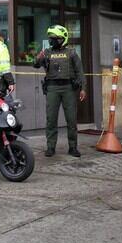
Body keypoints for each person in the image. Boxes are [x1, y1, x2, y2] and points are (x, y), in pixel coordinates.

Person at [34, 25, 85, 157]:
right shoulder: (47, 52)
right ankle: (51, 147)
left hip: (69, 88)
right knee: (51, 119)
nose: (51, 40)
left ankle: (73, 147)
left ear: (62, 39)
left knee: (71, 120)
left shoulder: (71, 53)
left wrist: (83, 88)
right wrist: (39, 58)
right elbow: (36, 65)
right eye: (50, 38)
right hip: (52, 88)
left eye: (54, 38)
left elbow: (80, 72)